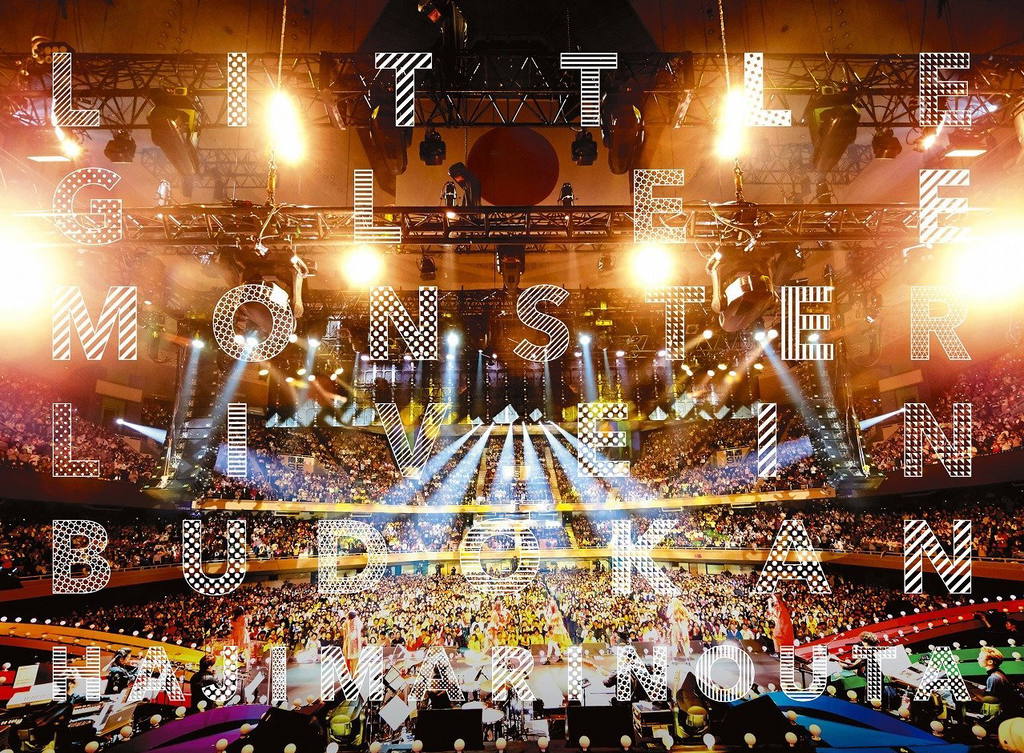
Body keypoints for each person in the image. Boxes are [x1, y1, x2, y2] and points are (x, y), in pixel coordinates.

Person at [979, 646, 1023, 718]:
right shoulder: (1000, 673)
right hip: (1011, 712)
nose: (978, 659)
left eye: (980, 657)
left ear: (990, 662)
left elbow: (991, 702)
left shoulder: (993, 678)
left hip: (1005, 715)